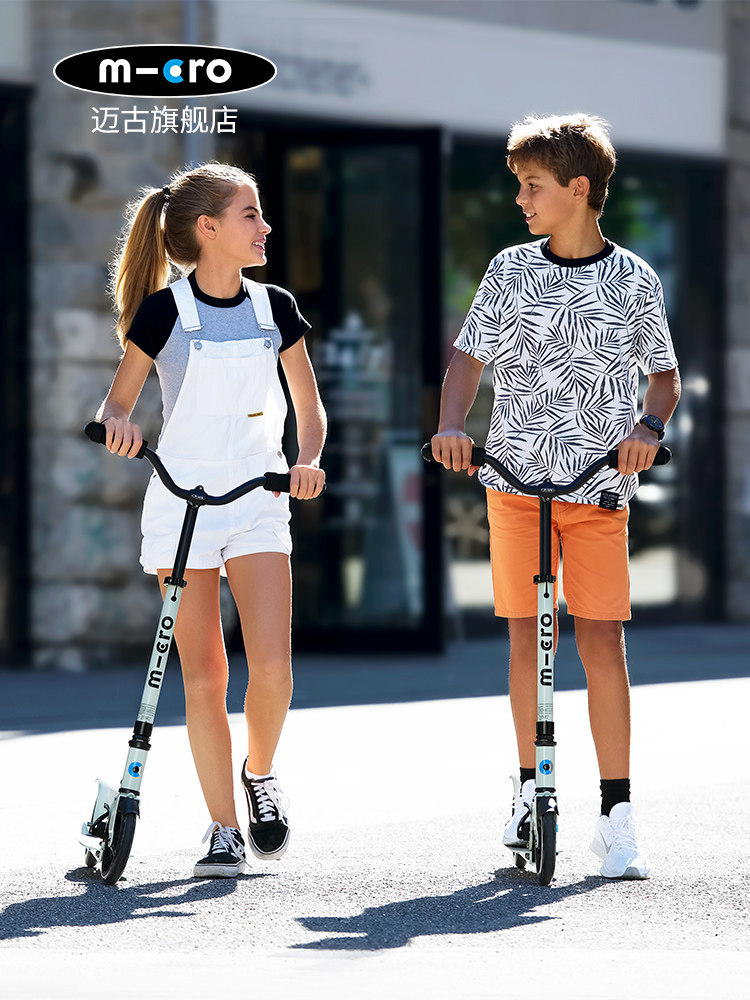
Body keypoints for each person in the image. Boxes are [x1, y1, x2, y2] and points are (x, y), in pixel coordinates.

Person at [431, 114, 680, 879]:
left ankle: (618, 815)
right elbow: (468, 360)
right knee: (525, 639)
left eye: (532, 186)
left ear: (578, 188)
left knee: (600, 641)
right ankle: (528, 791)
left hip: (598, 488)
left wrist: (646, 427)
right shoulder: (510, 270)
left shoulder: (633, 278)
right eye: (519, 187)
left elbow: (663, 378)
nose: (521, 200)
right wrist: (451, 426)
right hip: (513, 483)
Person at [96, 162, 326, 878]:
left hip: (259, 498)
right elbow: (116, 404)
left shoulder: (276, 308)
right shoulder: (163, 313)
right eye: (251, 214)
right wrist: (120, 427)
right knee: (204, 676)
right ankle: (223, 828)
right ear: (209, 228)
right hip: (184, 505)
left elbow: (310, 410)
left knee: (275, 670)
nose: (265, 227)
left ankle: (260, 773)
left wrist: (308, 460)